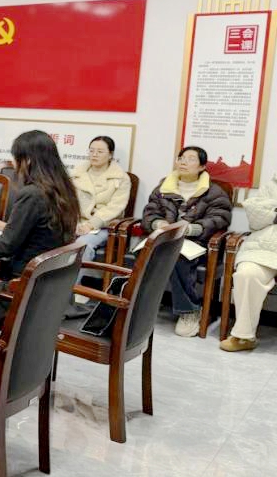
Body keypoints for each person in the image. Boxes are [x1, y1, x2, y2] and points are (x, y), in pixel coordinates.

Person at [141, 146, 232, 337]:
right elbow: (149, 213)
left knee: (177, 257)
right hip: (165, 239)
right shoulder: (163, 188)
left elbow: (220, 219)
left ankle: (189, 311)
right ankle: (140, 305)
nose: (183, 162)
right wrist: (158, 223)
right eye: (181, 158)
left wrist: (191, 228)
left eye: (190, 159)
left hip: (197, 242)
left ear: (202, 167)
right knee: (144, 253)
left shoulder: (214, 192)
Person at [0, 130, 79, 278]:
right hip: (48, 275)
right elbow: (43, 232)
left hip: (23, 277)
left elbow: (5, 247)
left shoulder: (32, 194)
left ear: (27, 160)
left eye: (15, 158)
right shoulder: (64, 188)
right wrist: (5, 226)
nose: (13, 164)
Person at [223, 171, 277, 352]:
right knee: (247, 274)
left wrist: (272, 210)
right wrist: (273, 215)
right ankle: (243, 336)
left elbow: (264, 209)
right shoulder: (272, 185)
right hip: (265, 247)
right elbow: (254, 216)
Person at [71, 136, 131, 287]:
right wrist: (72, 222)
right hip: (75, 222)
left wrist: (91, 224)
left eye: (100, 151)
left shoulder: (121, 178)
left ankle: (70, 289)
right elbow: (67, 200)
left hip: (103, 226)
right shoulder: (77, 174)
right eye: (91, 151)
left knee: (83, 244)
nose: (94, 155)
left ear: (110, 155)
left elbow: (115, 207)